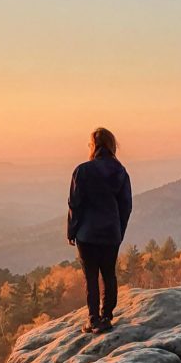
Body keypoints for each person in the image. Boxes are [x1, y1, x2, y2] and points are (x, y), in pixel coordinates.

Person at [67, 127, 133, 333]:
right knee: (109, 275)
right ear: (112, 146)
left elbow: (75, 204)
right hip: (110, 233)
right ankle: (107, 317)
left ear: (94, 146)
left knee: (91, 277)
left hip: (86, 235)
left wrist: (71, 231)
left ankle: (93, 319)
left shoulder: (83, 171)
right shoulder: (120, 172)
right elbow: (126, 205)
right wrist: (119, 231)